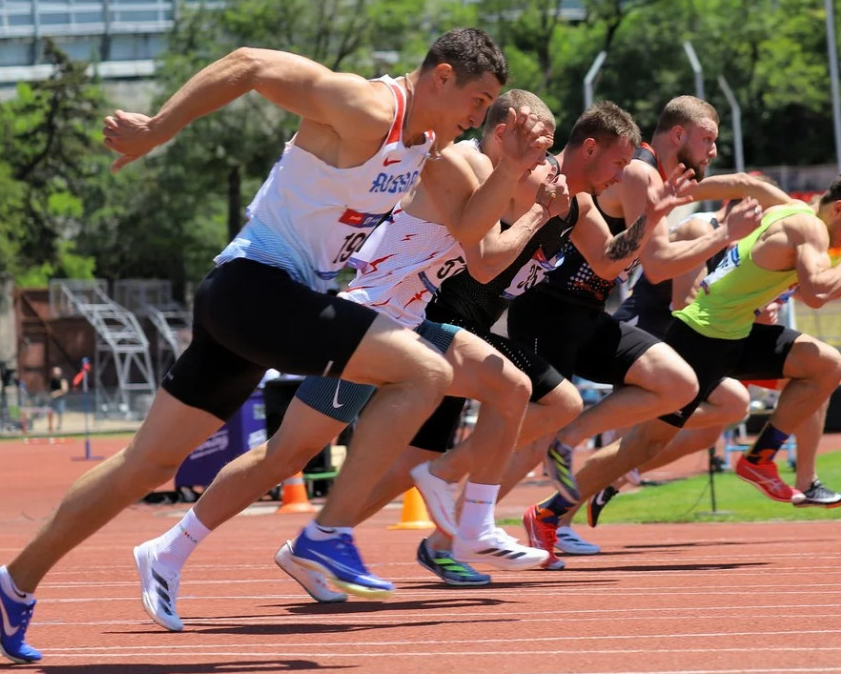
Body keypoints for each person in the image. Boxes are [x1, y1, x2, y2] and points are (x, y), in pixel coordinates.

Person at [0, 28, 518, 665]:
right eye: (478, 101)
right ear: (442, 77)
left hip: (260, 307)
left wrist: (510, 168)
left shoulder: (425, 144)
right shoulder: (367, 106)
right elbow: (251, 63)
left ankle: (10, 584)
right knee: (422, 371)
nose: (481, 117)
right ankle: (328, 535)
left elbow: (475, 236)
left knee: (145, 467)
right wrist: (158, 128)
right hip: (255, 287)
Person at [130, 89, 560, 630]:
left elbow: (490, 251)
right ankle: (168, 549)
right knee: (286, 455)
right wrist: (542, 211)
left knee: (511, 387)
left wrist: (540, 203)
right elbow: (484, 264)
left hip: (410, 323)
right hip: (368, 319)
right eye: (538, 145)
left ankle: (470, 522)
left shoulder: (491, 178)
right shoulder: (461, 163)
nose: (543, 160)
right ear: (503, 132)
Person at [349, 100, 699, 574]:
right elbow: (486, 255)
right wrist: (535, 207)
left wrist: (650, 219)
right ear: (589, 148)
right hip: (442, 317)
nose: (621, 176)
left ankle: (329, 535)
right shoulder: (538, 180)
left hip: (468, 328)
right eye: (618, 163)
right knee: (552, 403)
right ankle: (445, 508)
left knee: (407, 466)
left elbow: (609, 261)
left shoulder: (578, 203)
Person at [528, 169, 841, 553]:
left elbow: (744, 185)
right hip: (700, 338)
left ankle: (760, 459)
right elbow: (817, 294)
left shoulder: (785, 206)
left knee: (826, 364)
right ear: (837, 209)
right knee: (642, 445)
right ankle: (550, 513)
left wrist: (682, 192)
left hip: (735, 334)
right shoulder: (811, 229)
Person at [508, 96, 777, 566]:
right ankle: (466, 528)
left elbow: (640, 257)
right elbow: (657, 268)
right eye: (708, 138)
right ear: (679, 135)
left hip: (589, 313)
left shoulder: (655, 180)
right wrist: (723, 234)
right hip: (549, 309)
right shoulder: (639, 173)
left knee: (677, 385)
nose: (713, 149)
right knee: (529, 433)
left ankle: (562, 456)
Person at [46, 367, 68, 434]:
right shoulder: (52, 380)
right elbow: (49, 389)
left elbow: (64, 390)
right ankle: (50, 426)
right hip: (52, 399)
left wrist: (56, 393)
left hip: (60, 399)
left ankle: (59, 426)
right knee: (50, 412)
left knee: (60, 413)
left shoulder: (62, 380)